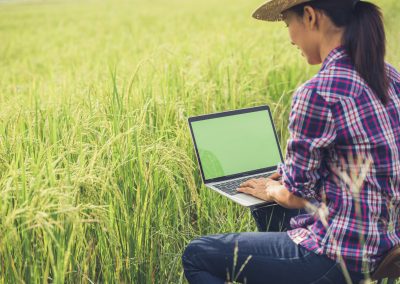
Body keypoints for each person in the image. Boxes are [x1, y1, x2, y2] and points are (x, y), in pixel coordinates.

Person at [181, 0, 400, 283]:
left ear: (309, 17)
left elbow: (296, 195)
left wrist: (272, 188)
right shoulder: (390, 75)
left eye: (288, 25)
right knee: (274, 217)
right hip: (387, 242)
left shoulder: (317, 92)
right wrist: (283, 176)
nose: (290, 39)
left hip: (338, 254)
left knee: (197, 254)